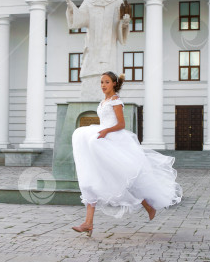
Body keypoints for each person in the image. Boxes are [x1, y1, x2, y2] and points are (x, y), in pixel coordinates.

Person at [70, 72, 183, 235]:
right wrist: (100, 130)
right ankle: (88, 223)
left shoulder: (116, 101)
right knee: (90, 180)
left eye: (106, 82)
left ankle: (148, 206)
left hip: (112, 140)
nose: (103, 85)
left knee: (124, 180)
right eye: (101, 82)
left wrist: (106, 131)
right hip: (101, 139)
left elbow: (121, 124)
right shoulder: (103, 102)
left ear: (114, 84)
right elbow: (104, 122)